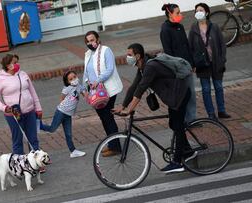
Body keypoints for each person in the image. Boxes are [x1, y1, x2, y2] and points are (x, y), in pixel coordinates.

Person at [114, 43, 197, 174]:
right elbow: (134, 87)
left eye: (129, 55)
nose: (127, 57)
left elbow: (140, 90)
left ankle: (177, 162)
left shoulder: (150, 67)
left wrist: (130, 109)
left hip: (179, 95)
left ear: (138, 56)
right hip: (173, 98)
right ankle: (188, 151)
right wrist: (122, 106)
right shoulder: (143, 68)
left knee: (178, 125)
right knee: (173, 124)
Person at [83, 31, 123, 157]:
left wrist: (97, 80)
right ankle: (112, 144)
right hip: (95, 92)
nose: (90, 43)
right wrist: (85, 88)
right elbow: (86, 72)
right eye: (88, 41)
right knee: (104, 118)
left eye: (92, 40)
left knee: (107, 117)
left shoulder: (106, 50)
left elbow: (110, 69)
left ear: (98, 39)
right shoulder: (88, 54)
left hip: (108, 90)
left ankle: (115, 147)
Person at [0, 54, 42, 155]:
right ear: (8, 65)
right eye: (14, 63)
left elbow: (32, 91)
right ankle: (19, 164)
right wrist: (4, 108)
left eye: (17, 62)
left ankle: (36, 161)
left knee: (33, 138)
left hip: (29, 111)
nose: (17, 64)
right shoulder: (0, 80)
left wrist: (38, 108)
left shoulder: (23, 74)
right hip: (14, 115)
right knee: (18, 139)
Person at [188, 3, 231, 119]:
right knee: (206, 89)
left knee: (218, 87)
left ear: (207, 12)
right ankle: (211, 113)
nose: (198, 12)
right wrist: (193, 63)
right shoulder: (193, 28)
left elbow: (222, 44)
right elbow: (190, 48)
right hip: (202, 64)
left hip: (216, 62)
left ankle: (221, 111)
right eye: (196, 11)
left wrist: (222, 60)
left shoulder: (214, 27)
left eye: (201, 10)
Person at [160, 3, 197, 124]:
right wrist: (175, 69)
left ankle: (191, 119)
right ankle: (183, 121)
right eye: (177, 13)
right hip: (178, 69)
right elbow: (168, 52)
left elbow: (187, 46)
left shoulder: (180, 26)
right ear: (170, 14)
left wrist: (192, 63)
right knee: (182, 96)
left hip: (187, 66)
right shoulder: (165, 30)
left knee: (191, 94)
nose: (180, 15)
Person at [40, 70, 87, 158]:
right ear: (67, 82)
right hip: (61, 112)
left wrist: (88, 93)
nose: (74, 79)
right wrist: (64, 107)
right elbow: (62, 98)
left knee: (68, 134)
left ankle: (73, 151)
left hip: (68, 114)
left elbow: (85, 95)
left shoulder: (79, 86)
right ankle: (37, 125)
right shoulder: (67, 88)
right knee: (52, 129)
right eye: (71, 79)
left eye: (75, 77)